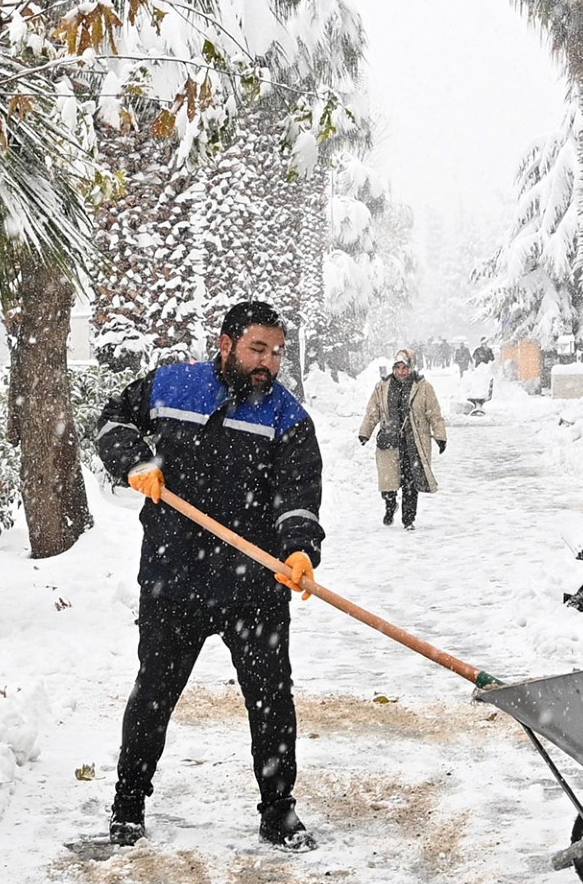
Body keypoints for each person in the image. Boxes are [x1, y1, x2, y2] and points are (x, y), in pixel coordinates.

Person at [96, 300, 326, 853]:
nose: (267, 362)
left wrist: (299, 550)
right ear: (225, 344)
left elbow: (299, 490)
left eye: (275, 352)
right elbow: (110, 421)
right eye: (257, 349)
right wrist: (135, 460)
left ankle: (278, 809)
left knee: (271, 697)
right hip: (175, 574)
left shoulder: (285, 415)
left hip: (255, 582)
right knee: (155, 690)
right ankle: (129, 803)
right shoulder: (171, 386)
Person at [358, 350, 447, 528]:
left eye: (405, 367)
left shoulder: (423, 387)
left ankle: (408, 519)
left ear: (411, 367)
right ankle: (390, 504)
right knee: (388, 483)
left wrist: (440, 436)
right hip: (389, 440)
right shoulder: (382, 387)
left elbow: (434, 414)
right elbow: (372, 412)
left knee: (410, 483)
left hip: (413, 442)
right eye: (398, 368)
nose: (401, 371)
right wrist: (365, 432)